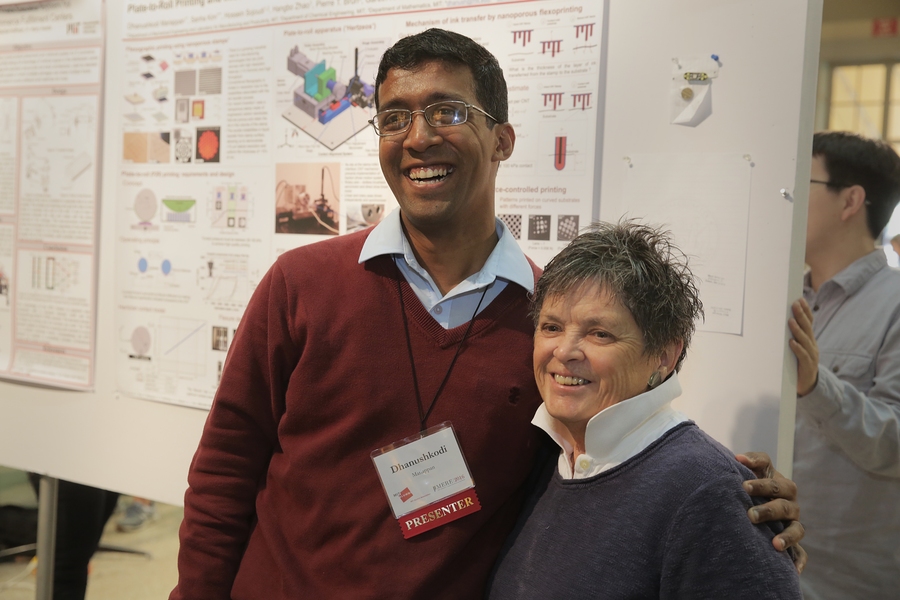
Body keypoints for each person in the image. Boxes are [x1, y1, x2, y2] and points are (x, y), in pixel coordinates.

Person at [171, 29, 802, 599]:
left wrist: (734, 506)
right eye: (394, 118)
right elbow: (225, 474)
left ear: (501, 140)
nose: (418, 138)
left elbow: (590, 465)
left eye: (447, 111)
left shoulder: (545, 323)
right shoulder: (301, 285)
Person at [487, 222, 801, 599]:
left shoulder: (707, 490)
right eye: (551, 327)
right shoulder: (549, 457)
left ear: (664, 355)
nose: (564, 351)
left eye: (600, 333)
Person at [788, 131, 900, 599]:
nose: (789, 197)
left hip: (846, 582)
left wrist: (816, 386)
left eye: (803, 182)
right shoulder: (787, 293)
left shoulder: (894, 304)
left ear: (850, 200)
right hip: (768, 563)